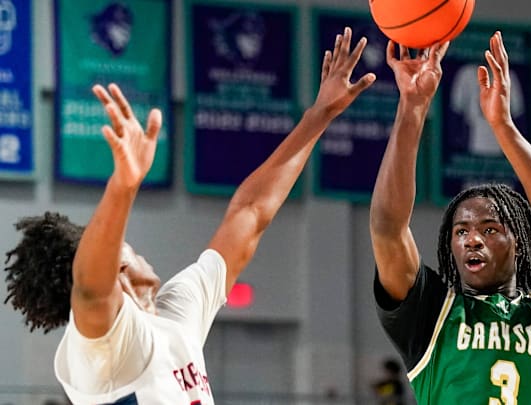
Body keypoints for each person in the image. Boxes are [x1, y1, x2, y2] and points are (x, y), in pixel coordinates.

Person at [3, 27, 375, 404]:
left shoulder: (175, 310)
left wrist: (319, 115)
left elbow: (249, 212)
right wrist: (123, 186)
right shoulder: (101, 345)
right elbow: (91, 286)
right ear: (115, 264)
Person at [369, 32, 531, 404]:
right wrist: (412, 106)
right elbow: (386, 227)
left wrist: (505, 129)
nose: (471, 239)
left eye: (489, 228)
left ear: (520, 245)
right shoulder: (431, 316)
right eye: (461, 231)